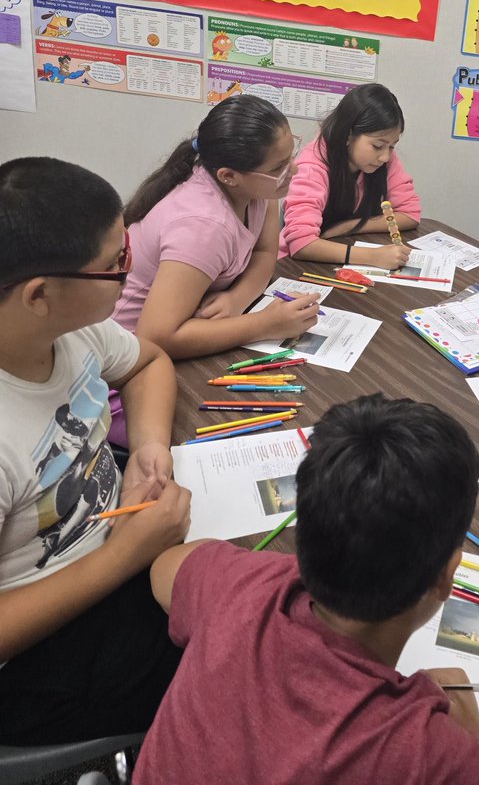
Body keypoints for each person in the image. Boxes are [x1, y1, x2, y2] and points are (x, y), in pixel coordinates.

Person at [134, 394, 479, 785]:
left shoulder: (240, 584)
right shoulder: (422, 749)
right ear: (447, 575)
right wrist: (478, 738)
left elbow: (164, 570)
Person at [0, 157, 191, 745]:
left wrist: (148, 450)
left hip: (120, 549)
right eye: (116, 265)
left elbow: (150, 363)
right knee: (247, 670)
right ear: (40, 294)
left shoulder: (67, 328)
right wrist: (126, 557)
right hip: (43, 649)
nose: (129, 277)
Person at [110, 96, 320, 445]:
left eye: (291, 156)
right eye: (280, 166)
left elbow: (266, 251)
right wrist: (266, 324)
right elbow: (155, 336)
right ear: (229, 176)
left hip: (178, 335)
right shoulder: (204, 226)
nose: (293, 171)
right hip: (124, 370)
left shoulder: (260, 187)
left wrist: (238, 298)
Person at [280, 83, 421, 269]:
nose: (385, 156)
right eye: (378, 146)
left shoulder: (384, 159)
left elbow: (410, 214)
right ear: (347, 134)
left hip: (345, 255)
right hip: (298, 267)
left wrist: (350, 226)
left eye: (392, 146)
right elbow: (302, 244)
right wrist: (372, 257)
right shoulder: (312, 166)